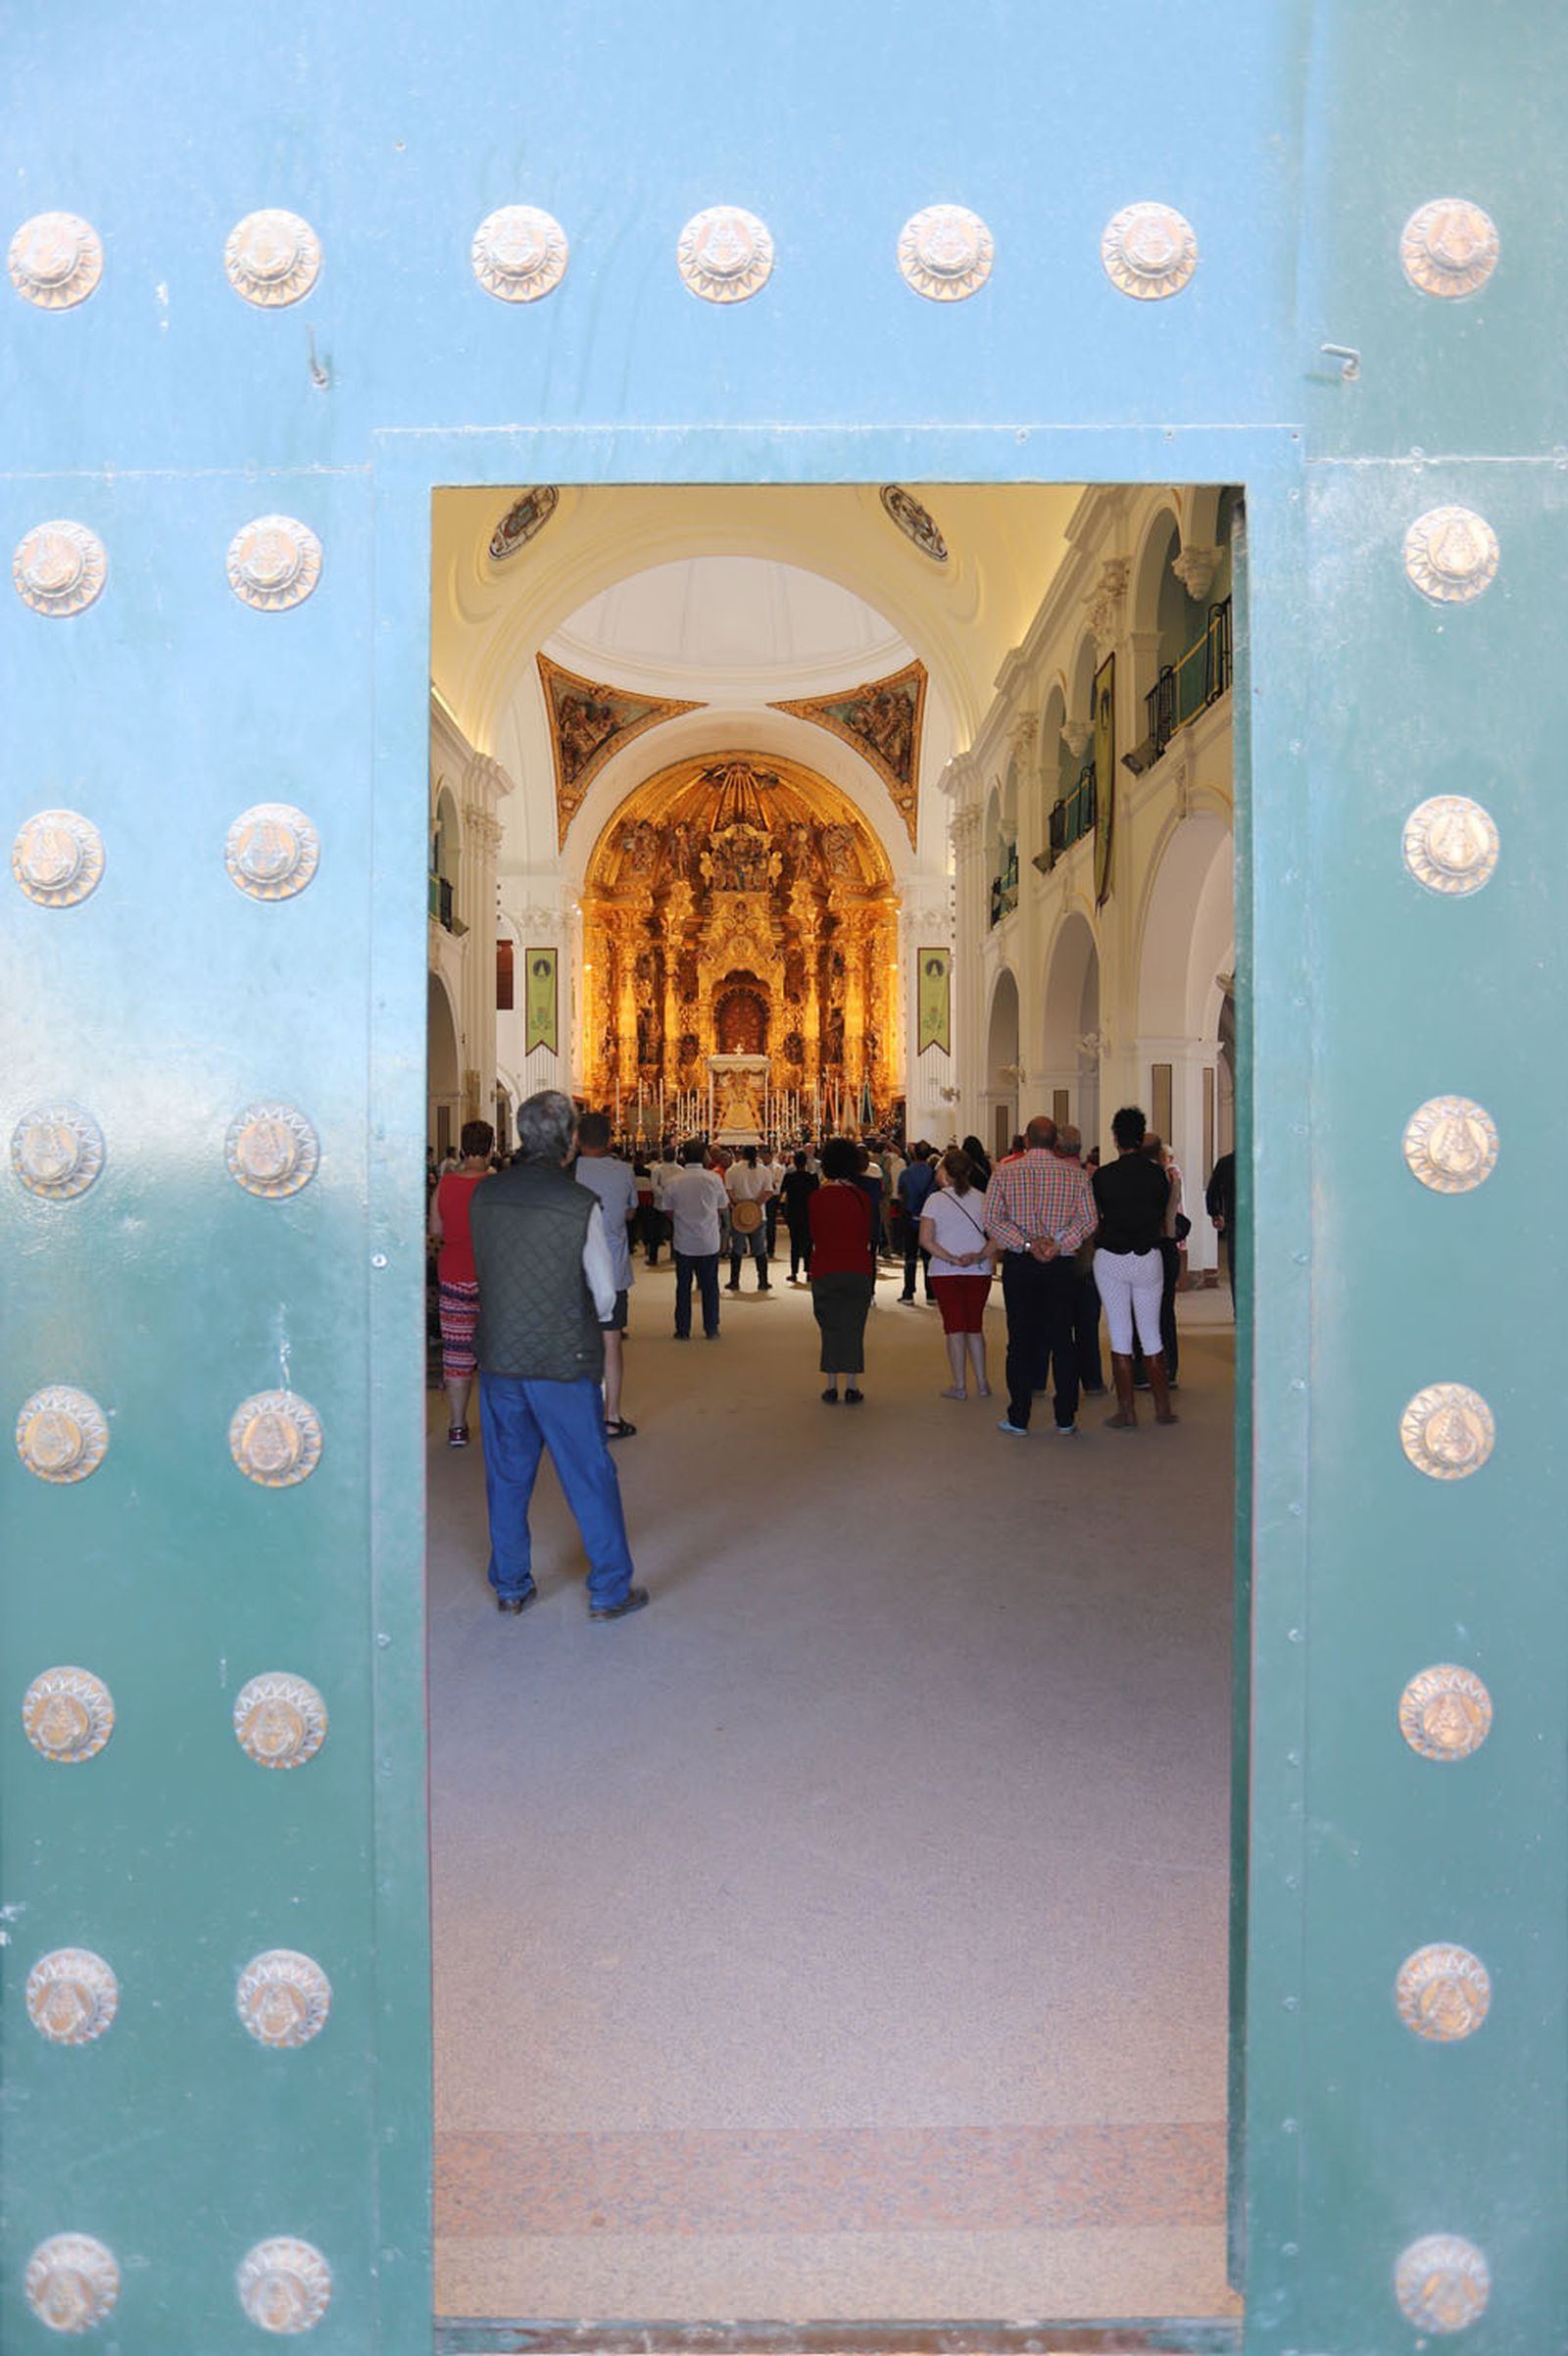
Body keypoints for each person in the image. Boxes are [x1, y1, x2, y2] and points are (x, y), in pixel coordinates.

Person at [466, 1090, 648, 1621]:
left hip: (500, 1354)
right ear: (570, 1141)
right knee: (588, 1472)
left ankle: (510, 1584)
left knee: (507, 1473)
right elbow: (605, 1295)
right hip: (563, 1360)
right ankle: (609, 1589)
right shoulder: (578, 1204)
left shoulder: (485, 1194)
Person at [982, 1113, 1097, 1437]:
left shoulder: (1004, 1173)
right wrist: (1059, 1243)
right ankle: (1065, 1418)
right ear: (1056, 1142)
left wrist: (1027, 1244)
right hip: (1061, 1266)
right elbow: (1089, 1221)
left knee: (1019, 1340)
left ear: (1026, 1140)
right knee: (1062, 1340)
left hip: (1021, 1265)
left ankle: (1019, 1418)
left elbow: (991, 1219)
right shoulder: (1076, 1176)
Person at [1092, 1105, 1177, 1431]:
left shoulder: (1103, 1176)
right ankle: (1163, 1408)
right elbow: (1162, 1214)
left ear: (1115, 1138)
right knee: (1151, 1332)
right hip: (1148, 1256)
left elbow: (1099, 1218)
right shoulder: (1158, 1175)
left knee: (1120, 1334)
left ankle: (1126, 1411)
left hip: (1111, 1258)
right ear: (1141, 1139)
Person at [572, 1109, 639, 1441]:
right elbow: (630, 1212)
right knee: (611, 1341)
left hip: (574, 1268)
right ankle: (611, 1416)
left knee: (574, 1341)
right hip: (612, 1266)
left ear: (577, 1139)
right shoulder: (623, 1170)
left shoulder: (567, 1172)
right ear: (610, 1139)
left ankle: (576, 1417)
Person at [426, 1118, 493, 1447]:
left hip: (453, 1273)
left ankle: (456, 1426)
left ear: (463, 1148)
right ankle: (499, 1425)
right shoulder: (495, 1185)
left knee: (457, 1352)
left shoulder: (446, 1184)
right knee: (494, 1351)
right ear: (491, 1148)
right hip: (491, 1275)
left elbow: (436, 1230)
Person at [808, 1137, 877, 1403]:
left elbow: (815, 1234)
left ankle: (830, 1385)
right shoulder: (862, 1198)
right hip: (858, 1266)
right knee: (854, 1327)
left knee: (830, 1327)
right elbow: (868, 1234)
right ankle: (852, 1385)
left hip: (826, 1266)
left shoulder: (816, 1198)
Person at [919, 1148, 993, 1399]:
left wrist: (950, 1258)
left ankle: (960, 1385)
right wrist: (978, 1256)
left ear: (945, 1172)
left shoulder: (935, 1200)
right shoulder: (983, 1198)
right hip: (979, 1271)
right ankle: (982, 1382)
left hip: (944, 1272)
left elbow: (926, 1239)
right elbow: (998, 1238)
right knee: (974, 1326)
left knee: (954, 1328)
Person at [1054, 1124, 1105, 1396]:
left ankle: (1056, 1382)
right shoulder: (1093, 1176)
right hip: (1088, 1254)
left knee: (1057, 1324)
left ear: (1056, 1147)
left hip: (1056, 1255)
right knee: (1087, 1323)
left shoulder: (1050, 1177)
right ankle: (1093, 1381)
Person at [664, 1141, 728, 1339]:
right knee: (710, 1286)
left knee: (683, 1286)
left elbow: (668, 1210)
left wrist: (683, 1219)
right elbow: (722, 1207)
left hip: (684, 1240)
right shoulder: (714, 1179)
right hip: (708, 1239)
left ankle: (683, 1329)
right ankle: (711, 1328)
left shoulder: (674, 1180)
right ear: (704, 1156)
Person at [724, 1144, 774, 1292]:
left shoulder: (732, 1170)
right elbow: (769, 1192)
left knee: (737, 1248)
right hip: (758, 1213)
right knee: (760, 1248)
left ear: (742, 1154)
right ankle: (763, 1281)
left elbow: (729, 1191)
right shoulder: (764, 1170)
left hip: (739, 1213)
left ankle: (734, 1281)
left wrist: (740, 1204)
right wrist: (754, 1205)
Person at [897, 1141, 938, 1302]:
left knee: (910, 1256)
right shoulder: (934, 1174)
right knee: (928, 1257)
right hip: (929, 1218)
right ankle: (931, 1293)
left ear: (913, 1154)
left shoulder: (906, 1174)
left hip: (910, 1218)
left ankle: (908, 1292)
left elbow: (901, 1196)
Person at [779, 1150, 820, 1281]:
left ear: (794, 1163)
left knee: (795, 1243)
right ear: (805, 1163)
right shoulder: (812, 1178)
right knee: (809, 1242)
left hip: (793, 1212)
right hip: (808, 1213)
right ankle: (809, 1272)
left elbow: (781, 1191)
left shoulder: (789, 1177)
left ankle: (794, 1272)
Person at [1205, 1148, 1237, 1306]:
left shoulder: (1226, 1163)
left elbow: (1213, 1191)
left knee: (1236, 1268)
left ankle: (1240, 1310)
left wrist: (1215, 1213)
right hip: (1260, 1221)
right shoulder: (1263, 1160)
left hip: (1235, 1220)